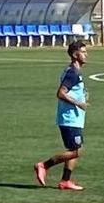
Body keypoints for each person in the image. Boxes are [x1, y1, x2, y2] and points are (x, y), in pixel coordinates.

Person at [34, 41, 89, 191]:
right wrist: (78, 103)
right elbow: (60, 93)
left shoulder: (73, 71)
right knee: (76, 151)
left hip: (74, 117)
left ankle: (65, 181)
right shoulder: (73, 73)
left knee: (74, 149)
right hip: (69, 117)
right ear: (74, 55)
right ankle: (44, 165)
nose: (86, 54)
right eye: (83, 52)